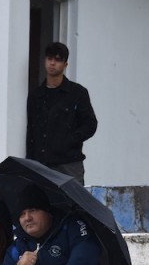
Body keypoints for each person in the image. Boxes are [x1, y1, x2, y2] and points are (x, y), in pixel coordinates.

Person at [25, 42, 98, 185]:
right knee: (41, 205)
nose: (52, 63)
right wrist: (30, 162)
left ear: (65, 65)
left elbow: (90, 124)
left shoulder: (77, 93)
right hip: (41, 164)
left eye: (58, 60)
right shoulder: (35, 95)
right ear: (44, 60)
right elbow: (31, 130)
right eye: (49, 58)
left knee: (73, 204)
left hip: (68, 164)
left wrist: (69, 141)